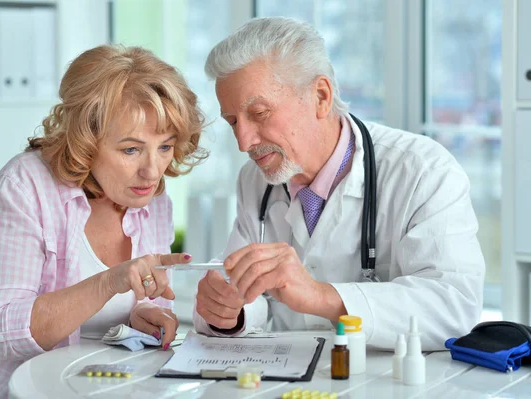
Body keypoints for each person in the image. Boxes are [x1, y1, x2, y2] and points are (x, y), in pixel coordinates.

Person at [193, 17, 485, 351]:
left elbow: (453, 305)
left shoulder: (422, 170)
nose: (244, 142)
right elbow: (248, 293)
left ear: (320, 96)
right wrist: (230, 311)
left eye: (259, 114)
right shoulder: (255, 180)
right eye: (233, 122)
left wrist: (322, 296)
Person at [0, 45, 207, 398]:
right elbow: (2, 329)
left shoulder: (153, 200)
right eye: (130, 150)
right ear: (86, 139)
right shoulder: (25, 186)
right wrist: (109, 281)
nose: (152, 171)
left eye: (165, 147)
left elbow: (141, 303)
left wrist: (142, 315)